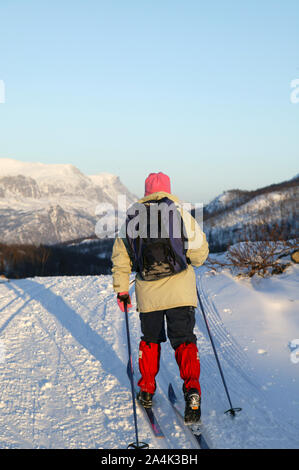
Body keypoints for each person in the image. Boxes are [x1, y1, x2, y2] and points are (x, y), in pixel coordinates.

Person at [111, 172, 209, 423]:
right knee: (185, 340)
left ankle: (146, 390)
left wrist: (122, 290)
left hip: (149, 294)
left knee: (150, 340)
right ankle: (193, 393)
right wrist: (189, 261)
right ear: (167, 189)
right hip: (180, 293)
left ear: (146, 192)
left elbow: (120, 258)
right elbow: (200, 252)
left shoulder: (133, 218)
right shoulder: (179, 213)